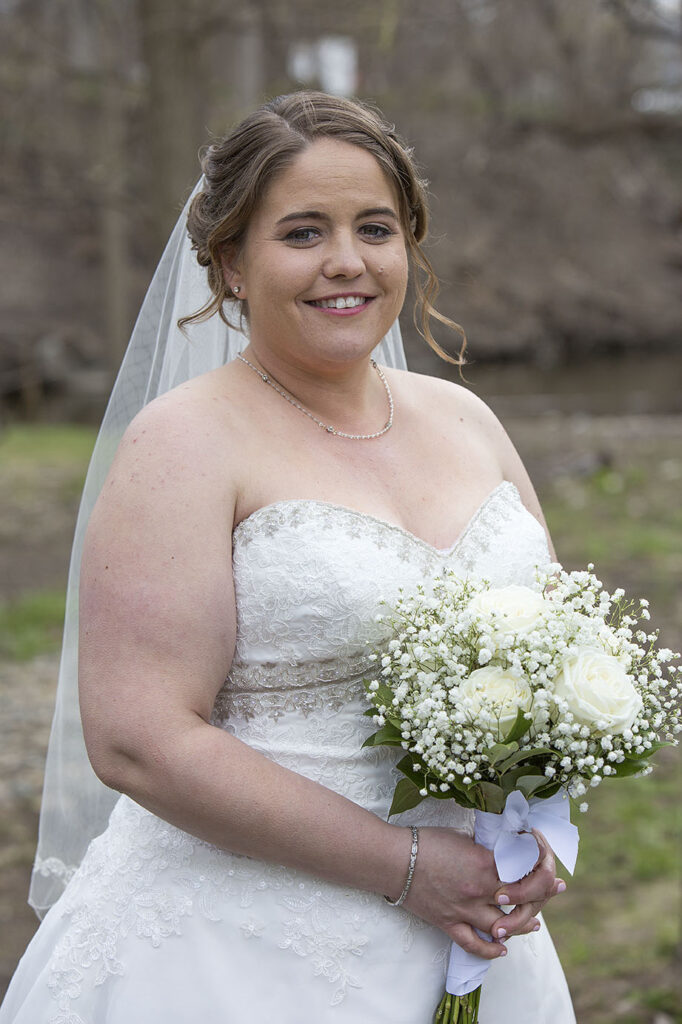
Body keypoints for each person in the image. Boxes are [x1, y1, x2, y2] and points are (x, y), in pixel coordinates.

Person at [0, 91, 575, 1023]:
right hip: (242, 951)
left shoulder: (468, 421)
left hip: (480, 927)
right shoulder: (185, 443)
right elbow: (138, 739)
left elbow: (557, 656)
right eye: (303, 232)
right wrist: (406, 867)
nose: (346, 262)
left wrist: (539, 816)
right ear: (230, 261)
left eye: (375, 228)